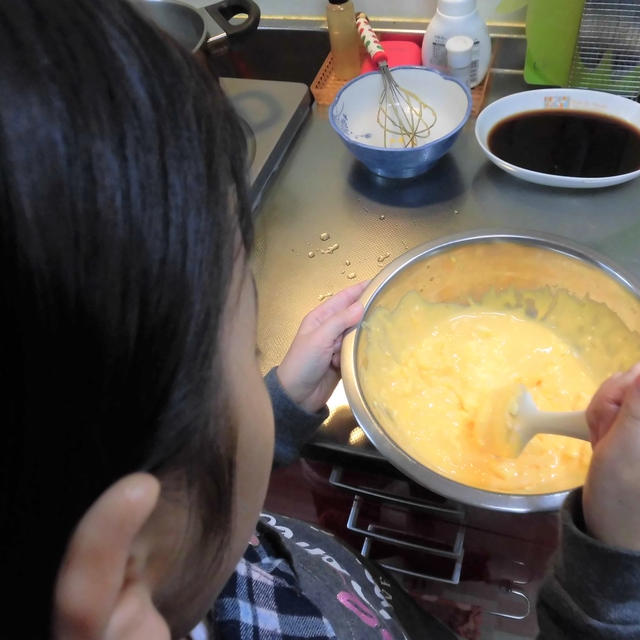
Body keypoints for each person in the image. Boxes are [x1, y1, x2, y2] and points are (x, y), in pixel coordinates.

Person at [1, 1, 639, 639]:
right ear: (120, 574)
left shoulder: (179, 546)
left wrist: (280, 411)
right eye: (242, 350)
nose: (256, 370)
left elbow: (207, 484)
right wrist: (612, 571)